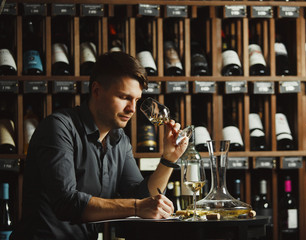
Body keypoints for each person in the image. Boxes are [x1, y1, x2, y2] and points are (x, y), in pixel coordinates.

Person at [11, 52, 189, 240]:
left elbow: (142, 196)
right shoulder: (58, 128)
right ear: (96, 91)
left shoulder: (120, 140)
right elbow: (66, 203)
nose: (132, 109)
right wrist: (137, 206)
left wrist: (169, 158)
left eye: (136, 100)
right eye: (124, 97)